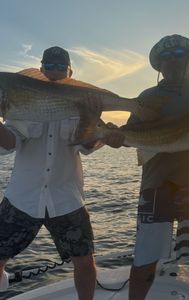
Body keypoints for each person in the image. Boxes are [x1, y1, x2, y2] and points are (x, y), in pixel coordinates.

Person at [104, 34, 189, 300]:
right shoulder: (147, 96)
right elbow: (133, 135)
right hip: (155, 187)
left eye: (178, 55)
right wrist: (116, 138)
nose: (173, 61)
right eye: (167, 57)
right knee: (144, 262)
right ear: (159, 65)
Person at [0, 46, 102, 300]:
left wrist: (91, 117)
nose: (54, 71)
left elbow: (87, 146)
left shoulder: (81, 102)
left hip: (66, 197)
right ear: (41, 69)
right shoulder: (21, 100)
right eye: (49, 66)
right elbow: (9, 143)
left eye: (60, 67)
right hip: (23, 197)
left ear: (70, 72)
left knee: (85, 262)